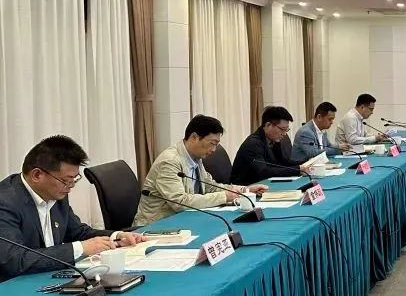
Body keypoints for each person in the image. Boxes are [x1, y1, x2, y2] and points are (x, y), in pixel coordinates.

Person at [0, 136, 147, 281]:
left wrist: (116, 237)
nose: (70, 187)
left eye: (74, 179)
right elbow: (14, 261)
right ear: (37, 175)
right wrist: (80, 248)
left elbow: (78, 231)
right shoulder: (5, 202)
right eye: (65, 181)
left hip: (49, 278)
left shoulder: (56, 192)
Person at [134, 115, 267, 227]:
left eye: (216, 145)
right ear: (194, 137)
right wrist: (224, 196)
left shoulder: (195, 158)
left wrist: (245, 190)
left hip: (184, 220)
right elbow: (180, 202)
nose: (214, 150)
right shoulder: (170, 162)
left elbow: (210, 187)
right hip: (156, 226)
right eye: (212, 143)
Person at [231, 106, 313, 186]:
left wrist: (305, 163)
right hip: (248, 188)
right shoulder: (253, 144)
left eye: (286, 130)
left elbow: (282, 162)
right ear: (268, 125)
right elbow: (263, 172)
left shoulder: (273, 139)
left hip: (265, 184)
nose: (284, 134)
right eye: (282, 129)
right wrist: (298, 169)